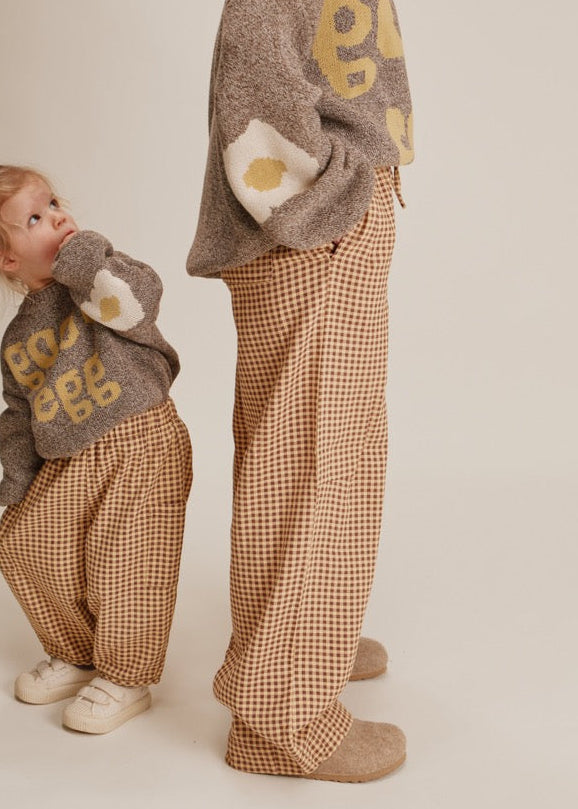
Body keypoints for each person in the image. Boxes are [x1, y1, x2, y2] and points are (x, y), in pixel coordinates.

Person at [186, 0, 414, 783]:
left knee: (326, 451)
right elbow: (252, 103)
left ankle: (309, 636)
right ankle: (283, 717)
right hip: (312, 232)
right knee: (312, 464)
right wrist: (330, 203)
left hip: (327, 225)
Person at [0, 165, 192, 734]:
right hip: (73, 456)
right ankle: (80, 651)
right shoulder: (16, 340)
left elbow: (142, 300)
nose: (57, 215)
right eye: (35, 218)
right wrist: (15, 480)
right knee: (27, 541)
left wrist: (83, 256)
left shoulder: (99, 277)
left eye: (54, 202)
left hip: (141, 438)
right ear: (9, 259)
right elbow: (19, 416)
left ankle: (126, 676)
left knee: (128, 562)